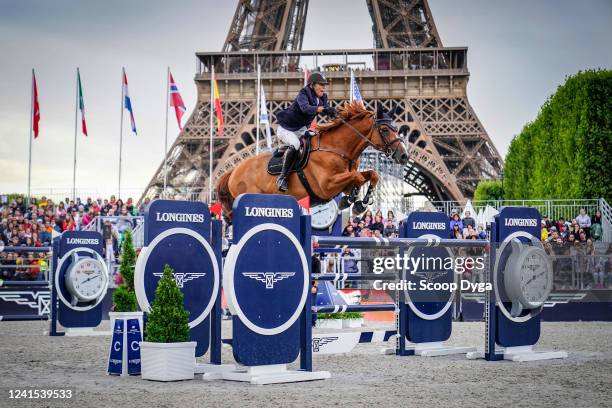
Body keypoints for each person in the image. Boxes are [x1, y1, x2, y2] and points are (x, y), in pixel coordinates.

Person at [274, 72, 335, 192]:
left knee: (314, 142)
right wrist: (322, 109)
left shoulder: (323, 97)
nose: (323, 87)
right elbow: (305, 108)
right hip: (286, 128)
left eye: (324, 85)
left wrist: (333, 113)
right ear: (312, 85)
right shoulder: (303, 93)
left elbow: (325, 111)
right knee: (296, 145)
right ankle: (282, 178)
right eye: (321, 85)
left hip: (301, 128)